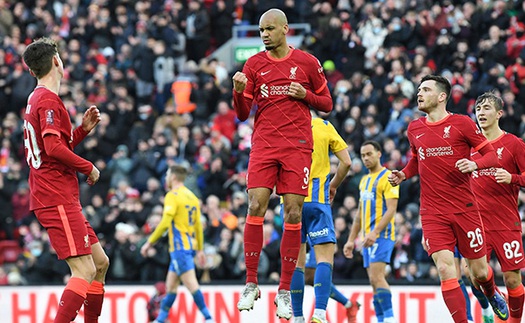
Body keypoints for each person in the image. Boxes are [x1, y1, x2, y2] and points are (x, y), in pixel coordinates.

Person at [231, 8, 333, 320]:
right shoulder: (253, 65)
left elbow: (327, 104)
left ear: (285, 29)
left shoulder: (306, 62)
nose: (264, 35)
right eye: (261, 30)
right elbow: (241, 113)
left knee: (293, 212)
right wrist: (237, 93)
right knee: (256, 204)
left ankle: (285, 290)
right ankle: (251, 283)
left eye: (269, 29)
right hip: (264, 144)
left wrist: (306, 95)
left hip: (298, 146)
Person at [387, 75, 509, 323]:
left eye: (426, 90)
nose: (419, 93)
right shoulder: (414, 128)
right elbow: (416, 160)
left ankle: (491, 291)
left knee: (479, 272)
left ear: (442, 96)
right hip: (433, 212)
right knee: (445, 269)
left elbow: (491, 156)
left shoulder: (462, 124)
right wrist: (403, 174)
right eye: (419, 89)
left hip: (464, 209)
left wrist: (473, 163)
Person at [22, 37, 109, 323]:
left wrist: (81, 131)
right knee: (83, 270)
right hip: (54, 195)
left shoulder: (38, 98)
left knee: (99, 263)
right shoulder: (47, 99)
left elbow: (55, 146)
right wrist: (88, 167)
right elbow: (53, 148)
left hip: (58, 194)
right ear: (57, 61)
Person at [288, 115, 357, 323]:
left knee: (296, 265)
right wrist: (333, 185)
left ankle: (298, 317)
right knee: (324, 261)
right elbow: (346, 162)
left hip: (291, 201)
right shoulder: (323, 126)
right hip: (317, 200)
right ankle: (319, 313)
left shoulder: (285, 124)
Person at [469, 92, 525, 323]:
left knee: (512, 280)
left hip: (505, 222)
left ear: (499, 113)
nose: (481, 113)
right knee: (475, 277)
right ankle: (493, 295)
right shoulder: (469, 145)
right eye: (478, 108)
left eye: (486, 108)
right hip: (475, 222)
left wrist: (512, 178)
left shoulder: (513, 144)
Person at [140, 165, 214, 323]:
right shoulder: (192, 197)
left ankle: (208, 318)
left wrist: (149, 243)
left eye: (167, 174)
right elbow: (198, 226)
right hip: (188, 247)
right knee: (171, 287)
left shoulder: (172, 195)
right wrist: (200, 249)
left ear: (173, 177)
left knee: (192, 284)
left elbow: (165, 222)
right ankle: (160, 320)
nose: (166, 177)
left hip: (180, 248)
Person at [343, 141, 399, 323]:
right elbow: (360, 212)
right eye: (363, 155)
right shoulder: (364, 180)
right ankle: (381, 319)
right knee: (373, 282)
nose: (366, 158)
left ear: (379, 154)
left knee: (377, 277)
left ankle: (389, 318)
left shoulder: (388, 177)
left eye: (369, 154)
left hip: (381, 235)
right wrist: (351, 240)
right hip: (367, 238)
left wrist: (375, 232)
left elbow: (391, 210)